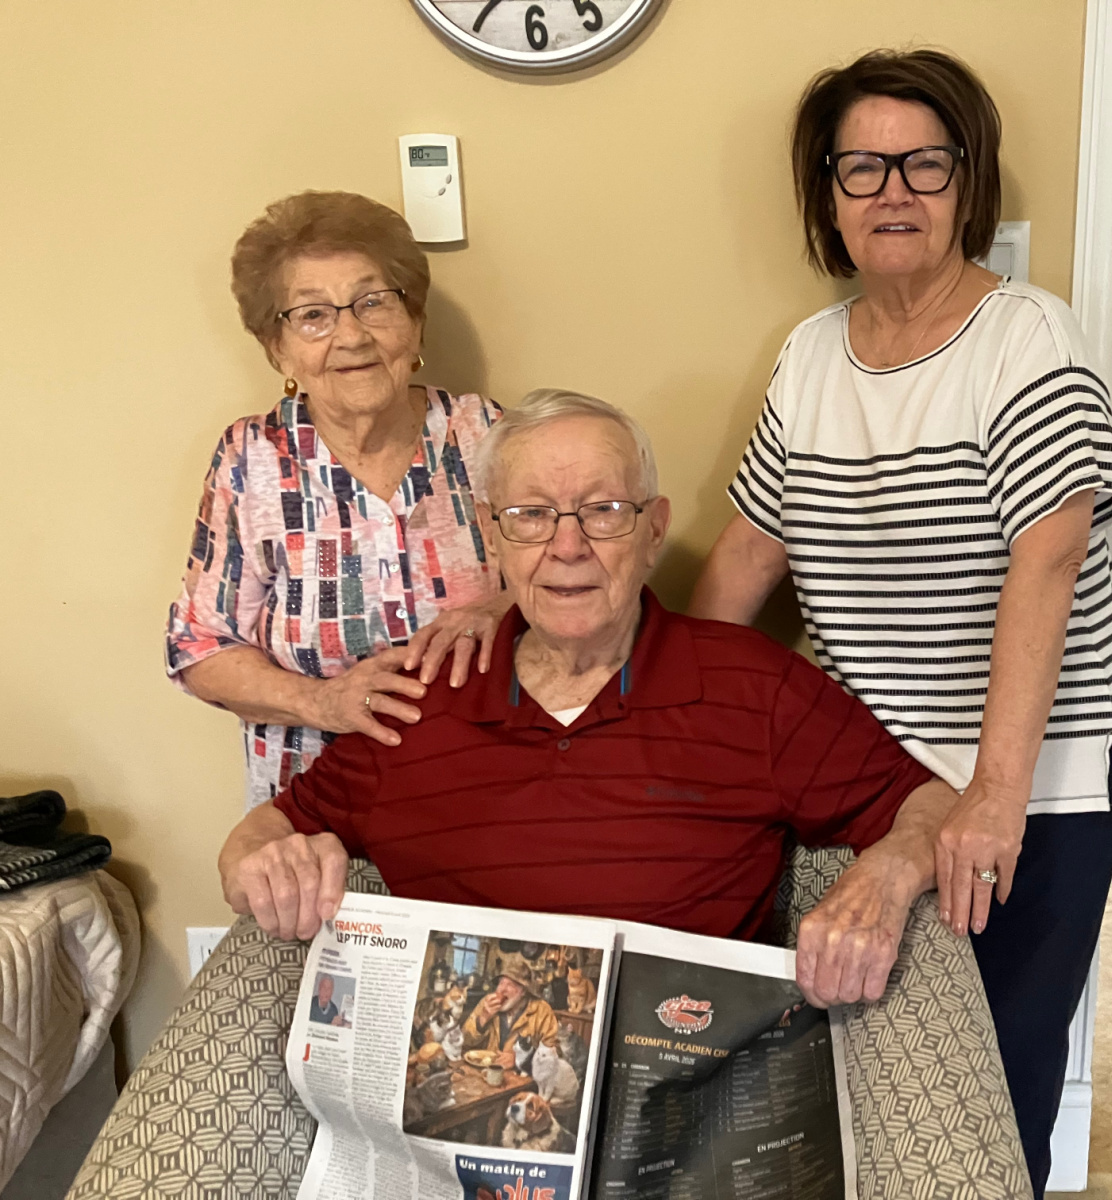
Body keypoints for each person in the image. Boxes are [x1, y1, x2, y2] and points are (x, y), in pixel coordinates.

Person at [687, 50, 1112, 1195]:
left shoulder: (1027, 338)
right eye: (861, 168)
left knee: (989, 1090)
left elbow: (1046, 563)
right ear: (826, 196)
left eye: (923, 163)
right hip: (864, 785)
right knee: (860, 1077)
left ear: (965, 182)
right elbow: (749, 553)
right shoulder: (809, 355)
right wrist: (676, 722)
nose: (893, 190)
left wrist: (992, 795)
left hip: (1033, 787)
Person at [217, 391, 960, 1010]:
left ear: (654, 530)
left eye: (603, 510)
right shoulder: (417, 701)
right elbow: (265, 832)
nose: (566, 547)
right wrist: (259, 861)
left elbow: (927, 805)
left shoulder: (755, 688)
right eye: (532, 516)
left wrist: (888, 875)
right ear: (493, 535)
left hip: (680, 1090)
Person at [167, 191, 511, 810]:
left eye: (374, 302)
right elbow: (199, 645)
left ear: (415, 322)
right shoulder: (253, 458)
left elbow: (567, 583)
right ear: (278, 348)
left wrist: (504, 610)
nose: (351, 335)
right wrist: (324, 703)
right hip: (314, 808)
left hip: (484, 793)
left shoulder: (486, 434)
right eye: (312, 315)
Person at [463, 957, 559, 1063]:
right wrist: (483, 1019)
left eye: (510, 984)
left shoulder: (542, 1011)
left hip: (520, 1077)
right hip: (486, 1072)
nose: (501, 989)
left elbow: (554, 1053)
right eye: (501, 983)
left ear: (523, 991)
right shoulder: (487, 1003)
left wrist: (520, 1058)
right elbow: (465, 1042)